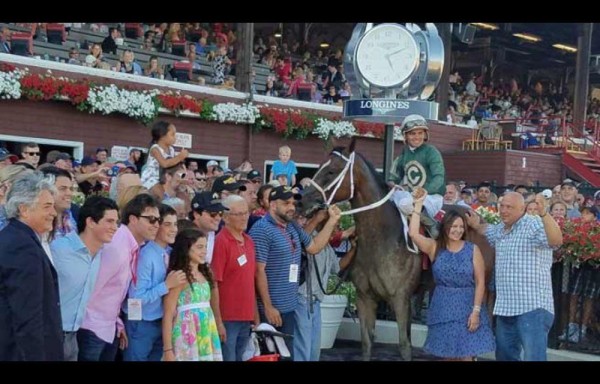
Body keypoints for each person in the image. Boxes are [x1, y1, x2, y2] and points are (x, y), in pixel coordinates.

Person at [465, 192, 563, 361]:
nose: (503, 210)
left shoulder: (533, 223)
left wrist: (544, 214)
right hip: (506, 308)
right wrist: (475, 224)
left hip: (532, 308)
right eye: (502, 206)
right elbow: (487, 230)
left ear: (522, 208)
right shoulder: (501, 229)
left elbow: (555, 241)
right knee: (504, 357)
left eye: (509, 207)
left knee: (534, 358)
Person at [248, 186, 341, 358]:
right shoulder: (261, 230)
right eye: (286, 203)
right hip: (271, 310)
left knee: (287, 356)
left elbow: (314, 247)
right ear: (273, 205)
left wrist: (331, 221)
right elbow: (257, 271)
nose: (291, 207)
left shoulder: (292, 227)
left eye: (293, 203)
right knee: (269, 356)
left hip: (289, 307)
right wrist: (268, 306)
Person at [408, 187, 494, 360]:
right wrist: (418, 206)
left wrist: (476, 311)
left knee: (466, 356)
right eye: (453, 226)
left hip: (467, 307)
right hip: (442, 307)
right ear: (445, 227)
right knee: (447, 356)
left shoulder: (472, 250)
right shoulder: (434, 247)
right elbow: (413, 234)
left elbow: (480, 282)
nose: (458, 230)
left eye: (461, 227)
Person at [0, 172, 64, 360]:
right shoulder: (22, 247)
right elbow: (28, 316)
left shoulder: (15, 238)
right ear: (24, 209)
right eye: (47, 206)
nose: (54, 213)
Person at [50, 196, 119, 361]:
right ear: (90, 222)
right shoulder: (58, 250)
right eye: (109, 221)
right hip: (50, 334)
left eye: (116, 222)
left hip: (73, 337)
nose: (115, 227)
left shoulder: (101, 255)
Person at [123, 204, 187, 361]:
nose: (173, 229)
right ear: (156, 226)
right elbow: (136, 298)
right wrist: (166, 286)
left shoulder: (170, 253)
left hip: (162, 321)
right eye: (167, 224)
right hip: (142, 323)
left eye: (175, 224)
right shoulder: (145, 256)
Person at [293, 208, 356, 361]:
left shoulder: (327, 247)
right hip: (303, 299)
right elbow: (301, 240)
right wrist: (317, 219)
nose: (338, 229)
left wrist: (354, 249)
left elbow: (338, 267)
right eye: (335, 225)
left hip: (315, 301)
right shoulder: (312, 238)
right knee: (303, 347)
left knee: (314, 348)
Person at [162, 228, 223, 361]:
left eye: (205, 247)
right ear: (186, 249)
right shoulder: (179, 276)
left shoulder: (206, 273)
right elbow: (168, 313)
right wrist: (168, 349)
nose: (204, 251)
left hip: (206, 331)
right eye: (199, 247)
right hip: (186, 334)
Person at [211, 195, 258, 361]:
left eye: (246, 213)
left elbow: (250, 281)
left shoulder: (249, 241)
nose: (244, 217)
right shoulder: (221, 242)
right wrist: (218, 321)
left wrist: (255, 316)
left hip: (246, 317)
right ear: (225, 217)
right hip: (228, 318)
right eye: (238, 214)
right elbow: (214, 283)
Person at [389, 114, 446, 238]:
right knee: (389, 199)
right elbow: (394, 175)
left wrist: (425, 190)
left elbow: (439, 177)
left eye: (420, 133)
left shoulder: (431, 152)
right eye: (412, 134)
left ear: (425, 134)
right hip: (412, 197)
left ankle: (430, 224)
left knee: (404, 203)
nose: (417, 137)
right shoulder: (404, 153)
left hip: (431, 197)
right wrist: (392, 183)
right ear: (405, 135)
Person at [140, 120, 189, 190]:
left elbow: (172, 165)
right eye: (172, 134)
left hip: (165, 178)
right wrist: (179, 157)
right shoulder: (155, 149)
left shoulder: (171, 149)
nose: (175, 137)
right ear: (162, 136)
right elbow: (164, 164)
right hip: (152, 179)